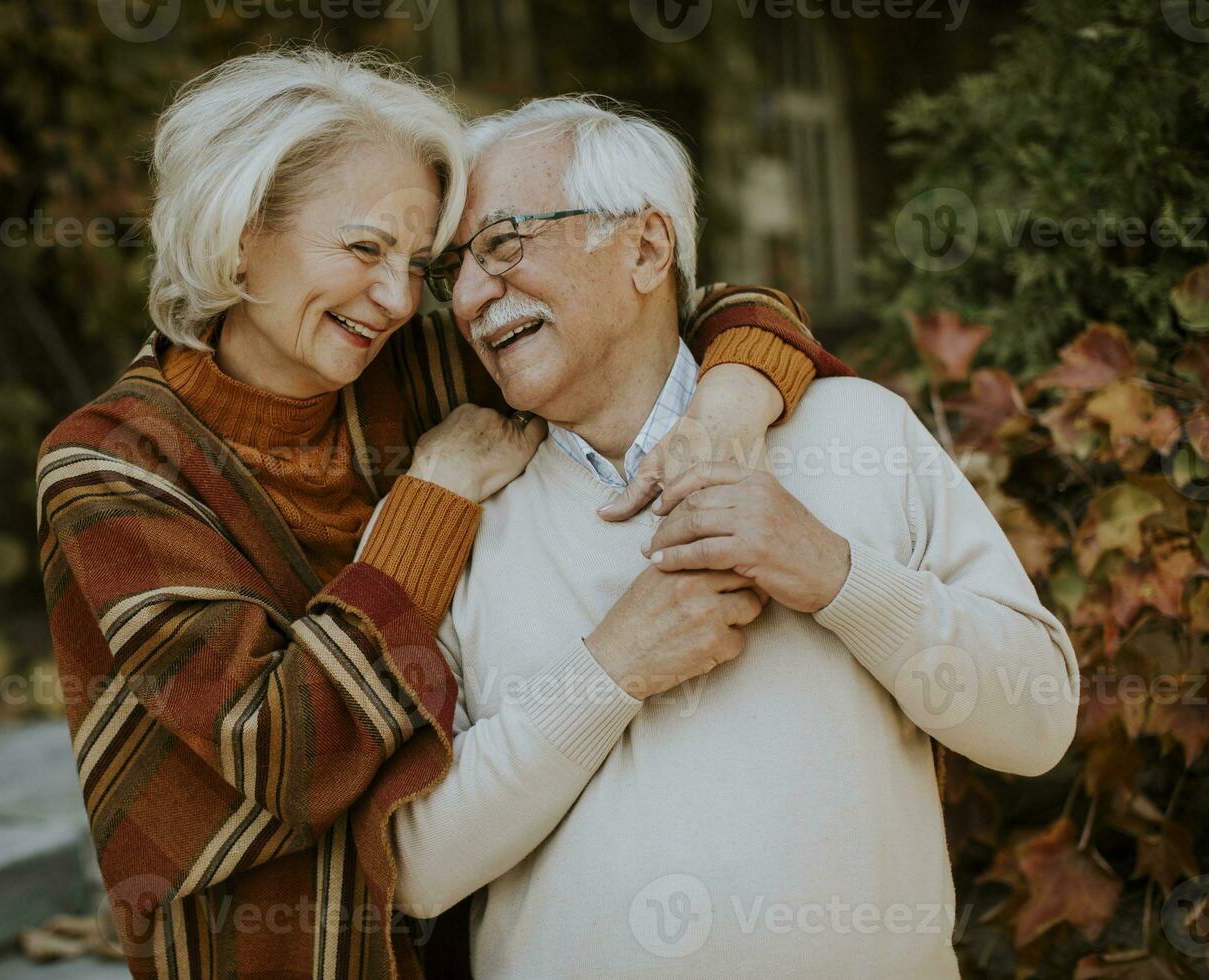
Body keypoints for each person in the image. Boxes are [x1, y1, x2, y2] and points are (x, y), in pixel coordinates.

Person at [35, 51, 844, 980]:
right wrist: (432, 500)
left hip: (483, 907)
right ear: (242, 231)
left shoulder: (412, 366)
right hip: (287, 946)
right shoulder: (111, 466)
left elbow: (678, 310)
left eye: (418, 263)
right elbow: (285, 753)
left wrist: (729, 405)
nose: (396, 300)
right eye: (364, 249)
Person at [380, 96, 1080, 978]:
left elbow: (1039, 722)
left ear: (644, 247)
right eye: (456, 272)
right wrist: (610, 670)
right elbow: (414, 866)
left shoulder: (858, 433)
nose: (474, 294)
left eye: (506, 243)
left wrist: (836, 576)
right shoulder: (459, 509)